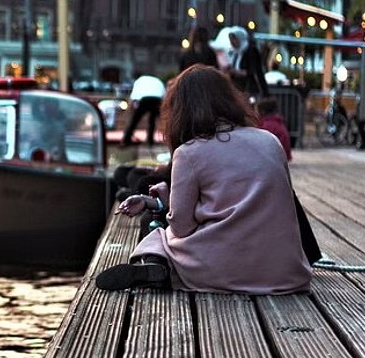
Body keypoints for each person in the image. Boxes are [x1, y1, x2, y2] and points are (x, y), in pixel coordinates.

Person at [95, 65, 312, 293]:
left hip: (228, 268)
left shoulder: (189, 152)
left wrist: (167, 202)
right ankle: (159, 267)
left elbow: (181, 227)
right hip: (286, 271)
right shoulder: (269, 141)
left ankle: (159, 265)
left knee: (158, 235)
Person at [120, 71, 165, 147]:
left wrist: (131, 105)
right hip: (157, 99)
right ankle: (150, 141)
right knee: (152, 121)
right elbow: (164, 93)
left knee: (135, 120)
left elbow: (134, 94)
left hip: (145, 99)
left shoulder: (140, 80)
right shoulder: (157, 80)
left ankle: (126, 140)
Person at [226, 26, 269, 99]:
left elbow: (253, 71)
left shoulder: (251, 51)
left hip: (250, 89)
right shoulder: (235, 53)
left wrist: (237, 72)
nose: (232, 42)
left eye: (234, 39)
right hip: (238, 88)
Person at [257, 96, 292, 161]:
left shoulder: (267, 125)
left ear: (262, 112)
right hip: (283, 156)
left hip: (274, 157)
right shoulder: (278, 122)